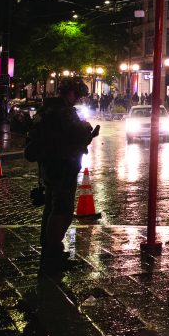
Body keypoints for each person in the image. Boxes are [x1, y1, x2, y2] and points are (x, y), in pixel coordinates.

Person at [35, 78, 99, 271]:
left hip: (47, 166)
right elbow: (75, 136)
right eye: (77, 95)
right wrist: (88, 131)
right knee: (62, 210)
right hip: (63, 165)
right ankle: (53, 253)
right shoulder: (64, 112)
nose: (78, 99)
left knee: (51, 207)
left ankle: (48, 249)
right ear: (70, 93)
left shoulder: (46, 109)